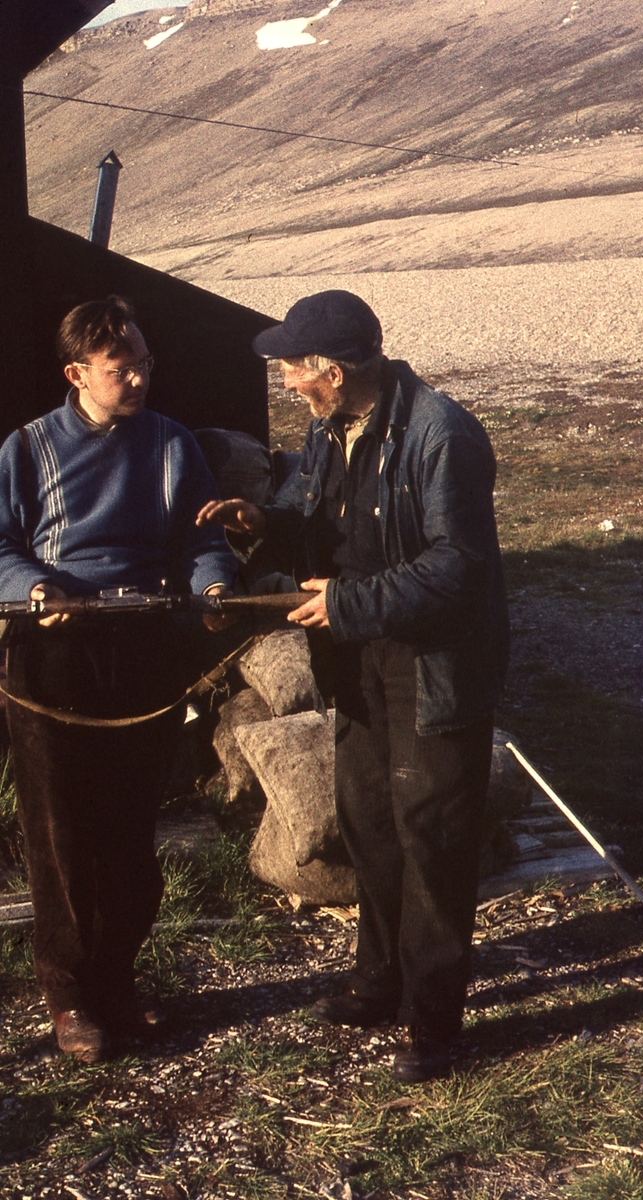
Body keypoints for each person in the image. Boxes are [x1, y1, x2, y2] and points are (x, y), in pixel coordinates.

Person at [197, 290, 509, 1082]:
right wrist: (260, 524)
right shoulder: (328, 430)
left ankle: (434, 1025)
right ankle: (379, 983)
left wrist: (343, 602)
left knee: (432, 838)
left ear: (332, 371)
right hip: (360, 657)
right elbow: (320, 525)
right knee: (370, 824)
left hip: (433, 666)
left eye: (294, 368)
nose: (288, 381)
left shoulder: (442, 433)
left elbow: (459, 570)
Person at [0, 295, 236, 1062]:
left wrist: (212, 591)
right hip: (53, 654)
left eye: (142, 363)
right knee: (60, 829)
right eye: (118, 367)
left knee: (132, 829)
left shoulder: (172, 445)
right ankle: (70, 1000)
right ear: (77, 373)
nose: (137, 378)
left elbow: (202, 545)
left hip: (143, 649)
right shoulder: (28, 449)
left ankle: (119, 981)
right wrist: (36, 592)